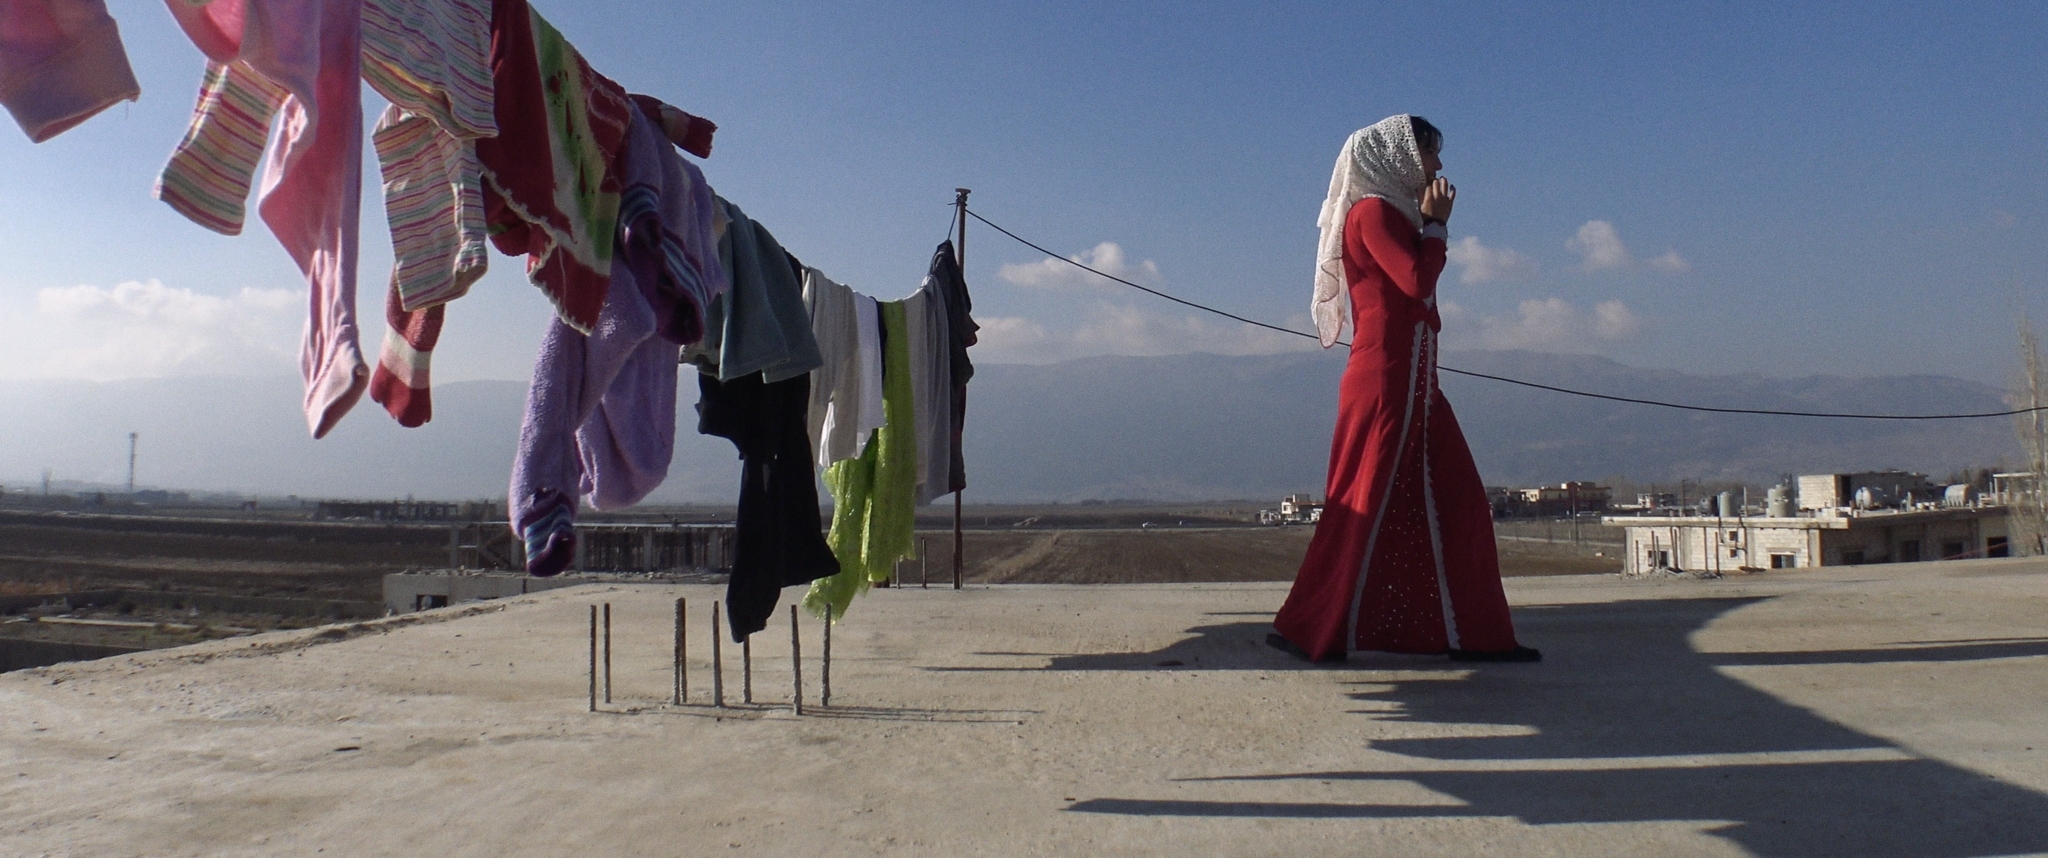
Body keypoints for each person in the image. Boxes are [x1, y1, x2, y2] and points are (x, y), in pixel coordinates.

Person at [1268, 115, 1539, 663]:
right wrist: (1436, 227)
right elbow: (1415, 281)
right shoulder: (1371, 214)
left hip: (1416, 383)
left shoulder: (1393, 215)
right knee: (1361, 502)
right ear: (1397, 159)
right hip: (1386, 382)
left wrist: (1428, 226)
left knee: (1454, 501)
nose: (1437, 165)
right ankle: (1311, 627)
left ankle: (1472, 633)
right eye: (1428, 153)